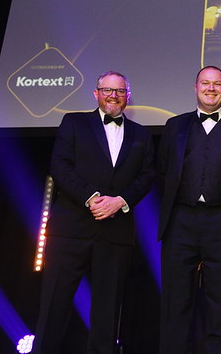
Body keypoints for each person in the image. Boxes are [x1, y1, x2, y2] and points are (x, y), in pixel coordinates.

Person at [34, 71, 155, 354]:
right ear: (96, 93)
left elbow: (147, 175)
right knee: (54, 304)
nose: (114, 96)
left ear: (128, 95)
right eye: (107, 90)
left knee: (107, 312)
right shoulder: (74, 122)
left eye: (120, 91)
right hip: (71, 229)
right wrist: (92, 198)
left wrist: (120, 201)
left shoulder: (142, 134)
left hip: (116, 232)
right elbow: (60, 165)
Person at [156, 65, 221, 354]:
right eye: (205, 83)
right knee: (176, 301)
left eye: (216, 84)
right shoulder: (175, 125)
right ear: (195, 87)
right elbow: (164, 170)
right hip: (180, 221)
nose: (210, 88)